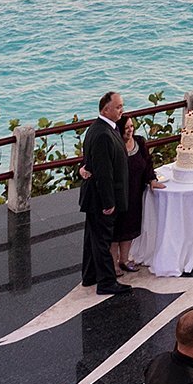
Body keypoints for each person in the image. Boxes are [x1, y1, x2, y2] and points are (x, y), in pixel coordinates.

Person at [79, 88, 129, 296]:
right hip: (101, 199)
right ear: (106, 109)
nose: (121, 111)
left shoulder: (101, 128)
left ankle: (90, 274)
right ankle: (106, 281)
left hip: (96, 196)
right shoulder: (102, 134)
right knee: (102, 240)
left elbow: (90, 163)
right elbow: (103, 172)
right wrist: (108, 202)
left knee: (93, 237)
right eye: (118, 107)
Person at [109, 112, 161, 274]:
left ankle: (124, 260)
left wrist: (152, 179)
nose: (129, 130)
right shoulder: (113, 145)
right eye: (126, 128)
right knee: (115, 232)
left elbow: (147, 163)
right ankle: (113, 264)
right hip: (118, 194)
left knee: (130, 228)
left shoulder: (139, 141)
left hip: (135, 193)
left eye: (131, 126)